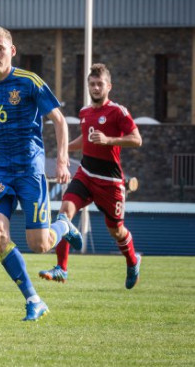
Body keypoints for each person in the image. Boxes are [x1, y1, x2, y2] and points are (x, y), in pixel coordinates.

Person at [0, 26, 81, 321]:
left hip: (29, 169)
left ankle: (63, 227)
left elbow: (58, 120)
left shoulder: (29, 82)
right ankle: (33, 298)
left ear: (11, 51)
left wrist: (62, 160)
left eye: (0, 49)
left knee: (38, 244)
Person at [39, 63, 143, 289]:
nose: (95, 88)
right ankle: (61, 269)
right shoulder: (85, 112)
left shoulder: (118, 112)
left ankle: (133, 261)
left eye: (100, 84)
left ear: (109, 86)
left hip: (110, 183)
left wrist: (109, 140)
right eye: (92, 84)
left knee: (116, 231)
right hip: (85, 174)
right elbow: (86, 140)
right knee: (64, 214)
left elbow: (137, 139)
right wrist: (64, 151)